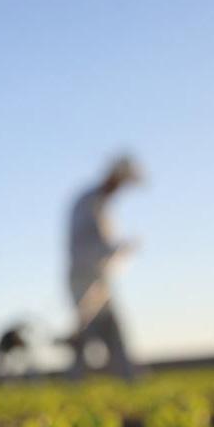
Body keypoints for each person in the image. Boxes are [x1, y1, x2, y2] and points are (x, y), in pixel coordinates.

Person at [66, 156, 141, 380]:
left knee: (112, 329)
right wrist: (118, 248)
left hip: (99, 278)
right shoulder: (89, 202)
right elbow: (88, 243)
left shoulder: (100, 204)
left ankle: (128, 377)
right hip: (84, 278)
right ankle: (75, 381)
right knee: (87, 330)